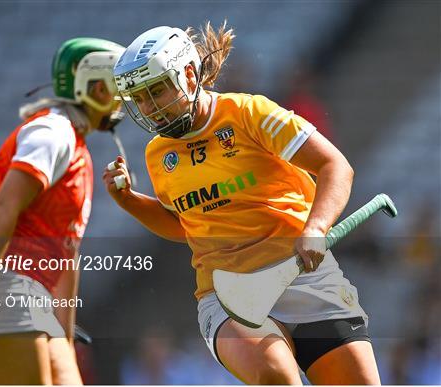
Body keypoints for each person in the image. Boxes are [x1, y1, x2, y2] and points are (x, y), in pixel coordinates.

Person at [105, 23, 380, 384]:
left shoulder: (250, 113)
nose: (150, 107)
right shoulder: (158, 154)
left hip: (303, 277)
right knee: (275, 374)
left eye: (156, 91)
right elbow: (185, 226)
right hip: (226, 294)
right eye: (139, 97)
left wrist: (315, 227)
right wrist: (127, 200)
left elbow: (335, 166)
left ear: (189, 75)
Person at [0, 37, 125, 384]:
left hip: (27, 286)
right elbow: (5, 205)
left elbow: (66, 258)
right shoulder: (53, 131)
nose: (122, 99)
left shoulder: (77, 148)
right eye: (117, 87)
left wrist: (65, 339)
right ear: (97, 89)